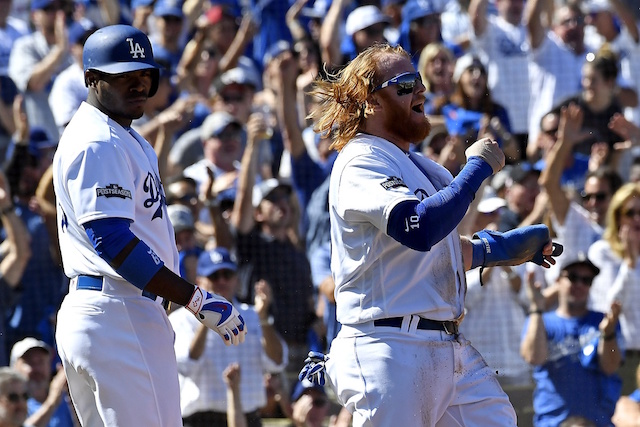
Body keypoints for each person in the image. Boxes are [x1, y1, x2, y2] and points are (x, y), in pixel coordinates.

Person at [302, 43, 559, 426]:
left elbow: (438, 250)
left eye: (418, 80)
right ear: (370, 102)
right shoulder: (361, 159)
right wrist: (477, 168)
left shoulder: (422, 167)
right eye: (405, 84)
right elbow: (418, 228)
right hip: (388, 347)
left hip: (445, 347)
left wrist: (500, 249)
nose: (420, 90)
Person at [51, 25, 246, 426]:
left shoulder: (120, 135)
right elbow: (113, 240)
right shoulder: (98, 140)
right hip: (119, 311)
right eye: (124, 76)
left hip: (109, 311)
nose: (139, 84)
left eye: (145, 75)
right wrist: (195, 299)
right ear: (91, 78)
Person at [170, 247, 286, 427]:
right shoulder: (181, 319)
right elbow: (186, 366)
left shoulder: (254, 315)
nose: (222, 281)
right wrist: (207, 315)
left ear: (236, 279)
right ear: (200, 281)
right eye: (214, 276)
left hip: (248, 417)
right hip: (201, 420)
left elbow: (278, 361)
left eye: (227, 274)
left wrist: (263, 318)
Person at [521, 254, 623, 427]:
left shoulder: (604, 321)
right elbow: (534, 358)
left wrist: (607, 333)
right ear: (558, 281)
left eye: (586, 280)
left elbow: (611, 367)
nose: (579, 285)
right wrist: (537, 308)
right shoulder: (541, 321)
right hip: (552, 423)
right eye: (573, 277)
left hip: (598, 422)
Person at [589, 183, 640, 395]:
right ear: (617, 216)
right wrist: (629, 264)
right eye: (630, 213)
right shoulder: (602, 252)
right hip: (621, 355)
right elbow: (610, 305)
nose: (637, 219)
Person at [9, 338, 74, 427]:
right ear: (15, 368)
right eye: (30, 362)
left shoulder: (65, 398)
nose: (37, 369)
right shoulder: (9, 403)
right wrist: (52, 401)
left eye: (41, 361)